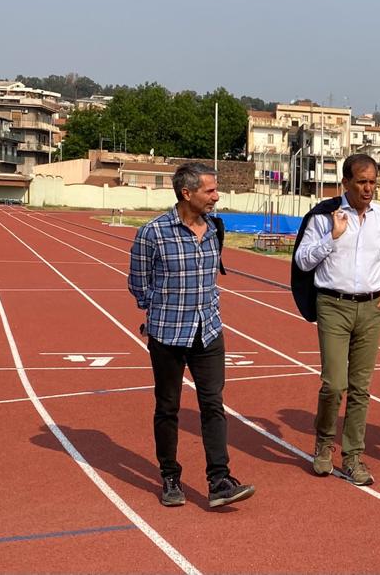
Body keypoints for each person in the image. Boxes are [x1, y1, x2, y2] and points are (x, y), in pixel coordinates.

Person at [128, 162, 255, 508]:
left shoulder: (214, 228)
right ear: (187, 193)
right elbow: (138, 286)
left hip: (209, 331)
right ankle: (170, 476)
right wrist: (164, 309)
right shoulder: (152, 233)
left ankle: (219, 480)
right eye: (210, 191)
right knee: (168, 407)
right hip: (168, 335)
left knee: (213, 404)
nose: (217, 196)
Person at [294, 153, 380, 486]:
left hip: (372, 309)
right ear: (345, 182)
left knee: (361, 388)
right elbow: (302, 261)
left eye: (373, 182)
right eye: (362, 181)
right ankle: (323, 443)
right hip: (333, 305)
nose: (368, 188)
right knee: (334, 384)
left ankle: (353, 456)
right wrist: (332, 237)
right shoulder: (324, 216)